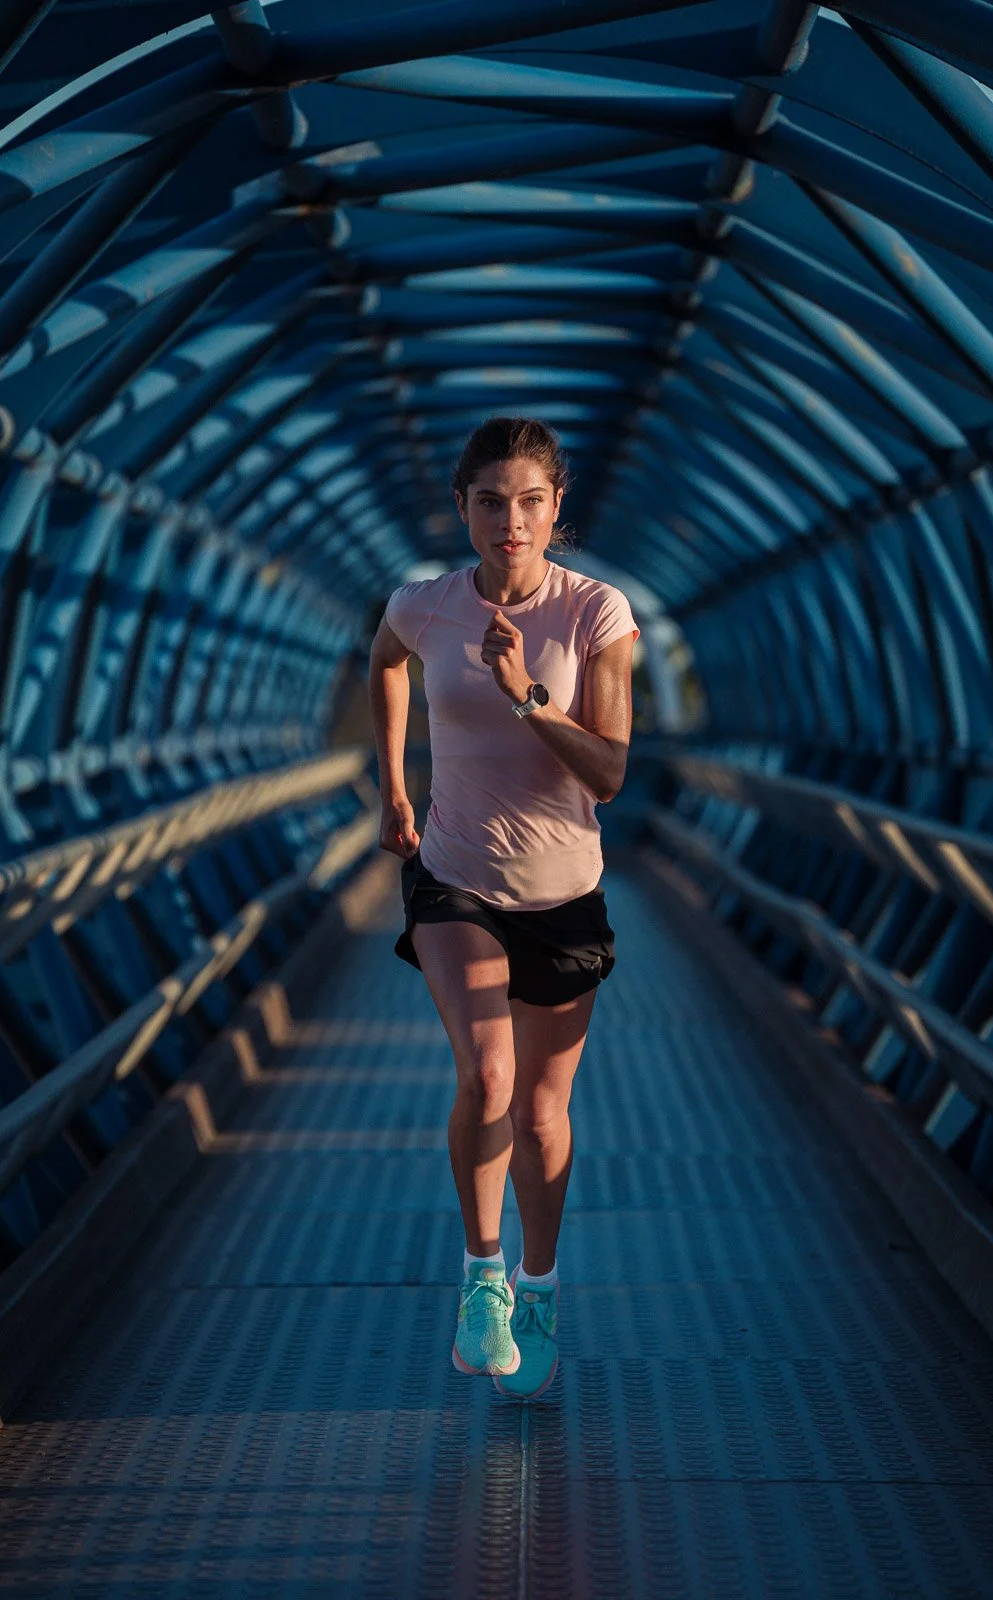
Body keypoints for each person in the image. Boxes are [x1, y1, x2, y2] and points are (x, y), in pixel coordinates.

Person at [368, 416, 638, 1399]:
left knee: (540, 1108)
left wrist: (527, 696)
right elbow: (384, 659)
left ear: (555, 508)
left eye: (529, 502)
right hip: (451, 872)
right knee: (486, 1073)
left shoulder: (596, 613)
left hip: (564, 890)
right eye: (489, 502)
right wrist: (394, 785)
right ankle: (481, 1277)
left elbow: (607, 772)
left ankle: (540, 1282)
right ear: (462, 508)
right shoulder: (425, 605)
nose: (509, 521)